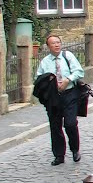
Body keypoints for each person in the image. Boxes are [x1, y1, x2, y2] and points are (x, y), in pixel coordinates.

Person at [34, 34, 84, 165]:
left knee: (70, 123)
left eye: (58, 42)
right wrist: (49, 82)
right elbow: (38, 78)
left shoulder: (68, 56)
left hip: (70, 93)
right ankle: (59, 155)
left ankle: (75, 149)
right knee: (55, 126)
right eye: (53, 43)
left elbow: (79, 71)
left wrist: (68, 80)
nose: (56, 45)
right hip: (53, 97)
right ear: (48, 46)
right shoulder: (45, 61)